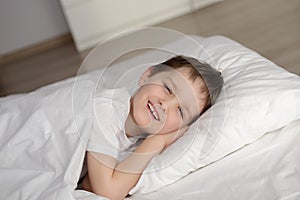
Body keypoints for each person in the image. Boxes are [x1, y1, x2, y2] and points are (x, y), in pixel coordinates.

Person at [81, 55, 223, 200]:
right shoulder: (107, 108)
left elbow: (88, 185)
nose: (165, 104)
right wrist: (157, 142)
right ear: (147, 76)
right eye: (168, 89)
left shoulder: (136, 142)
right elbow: (108, 191)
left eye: (180, 111)